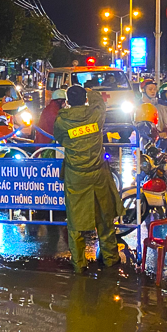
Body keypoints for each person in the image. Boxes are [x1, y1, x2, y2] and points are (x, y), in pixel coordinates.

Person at [52, 85, 124, 273]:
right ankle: (110, 258)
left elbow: (59, 139)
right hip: (98, 173)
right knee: (104, 215)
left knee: (75, 220)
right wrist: (88, 91)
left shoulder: (62, 120)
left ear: (67, 101)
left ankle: (79, 263)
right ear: (85, 98)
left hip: (75, 175)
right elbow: (99, 100)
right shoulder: (96, 115)